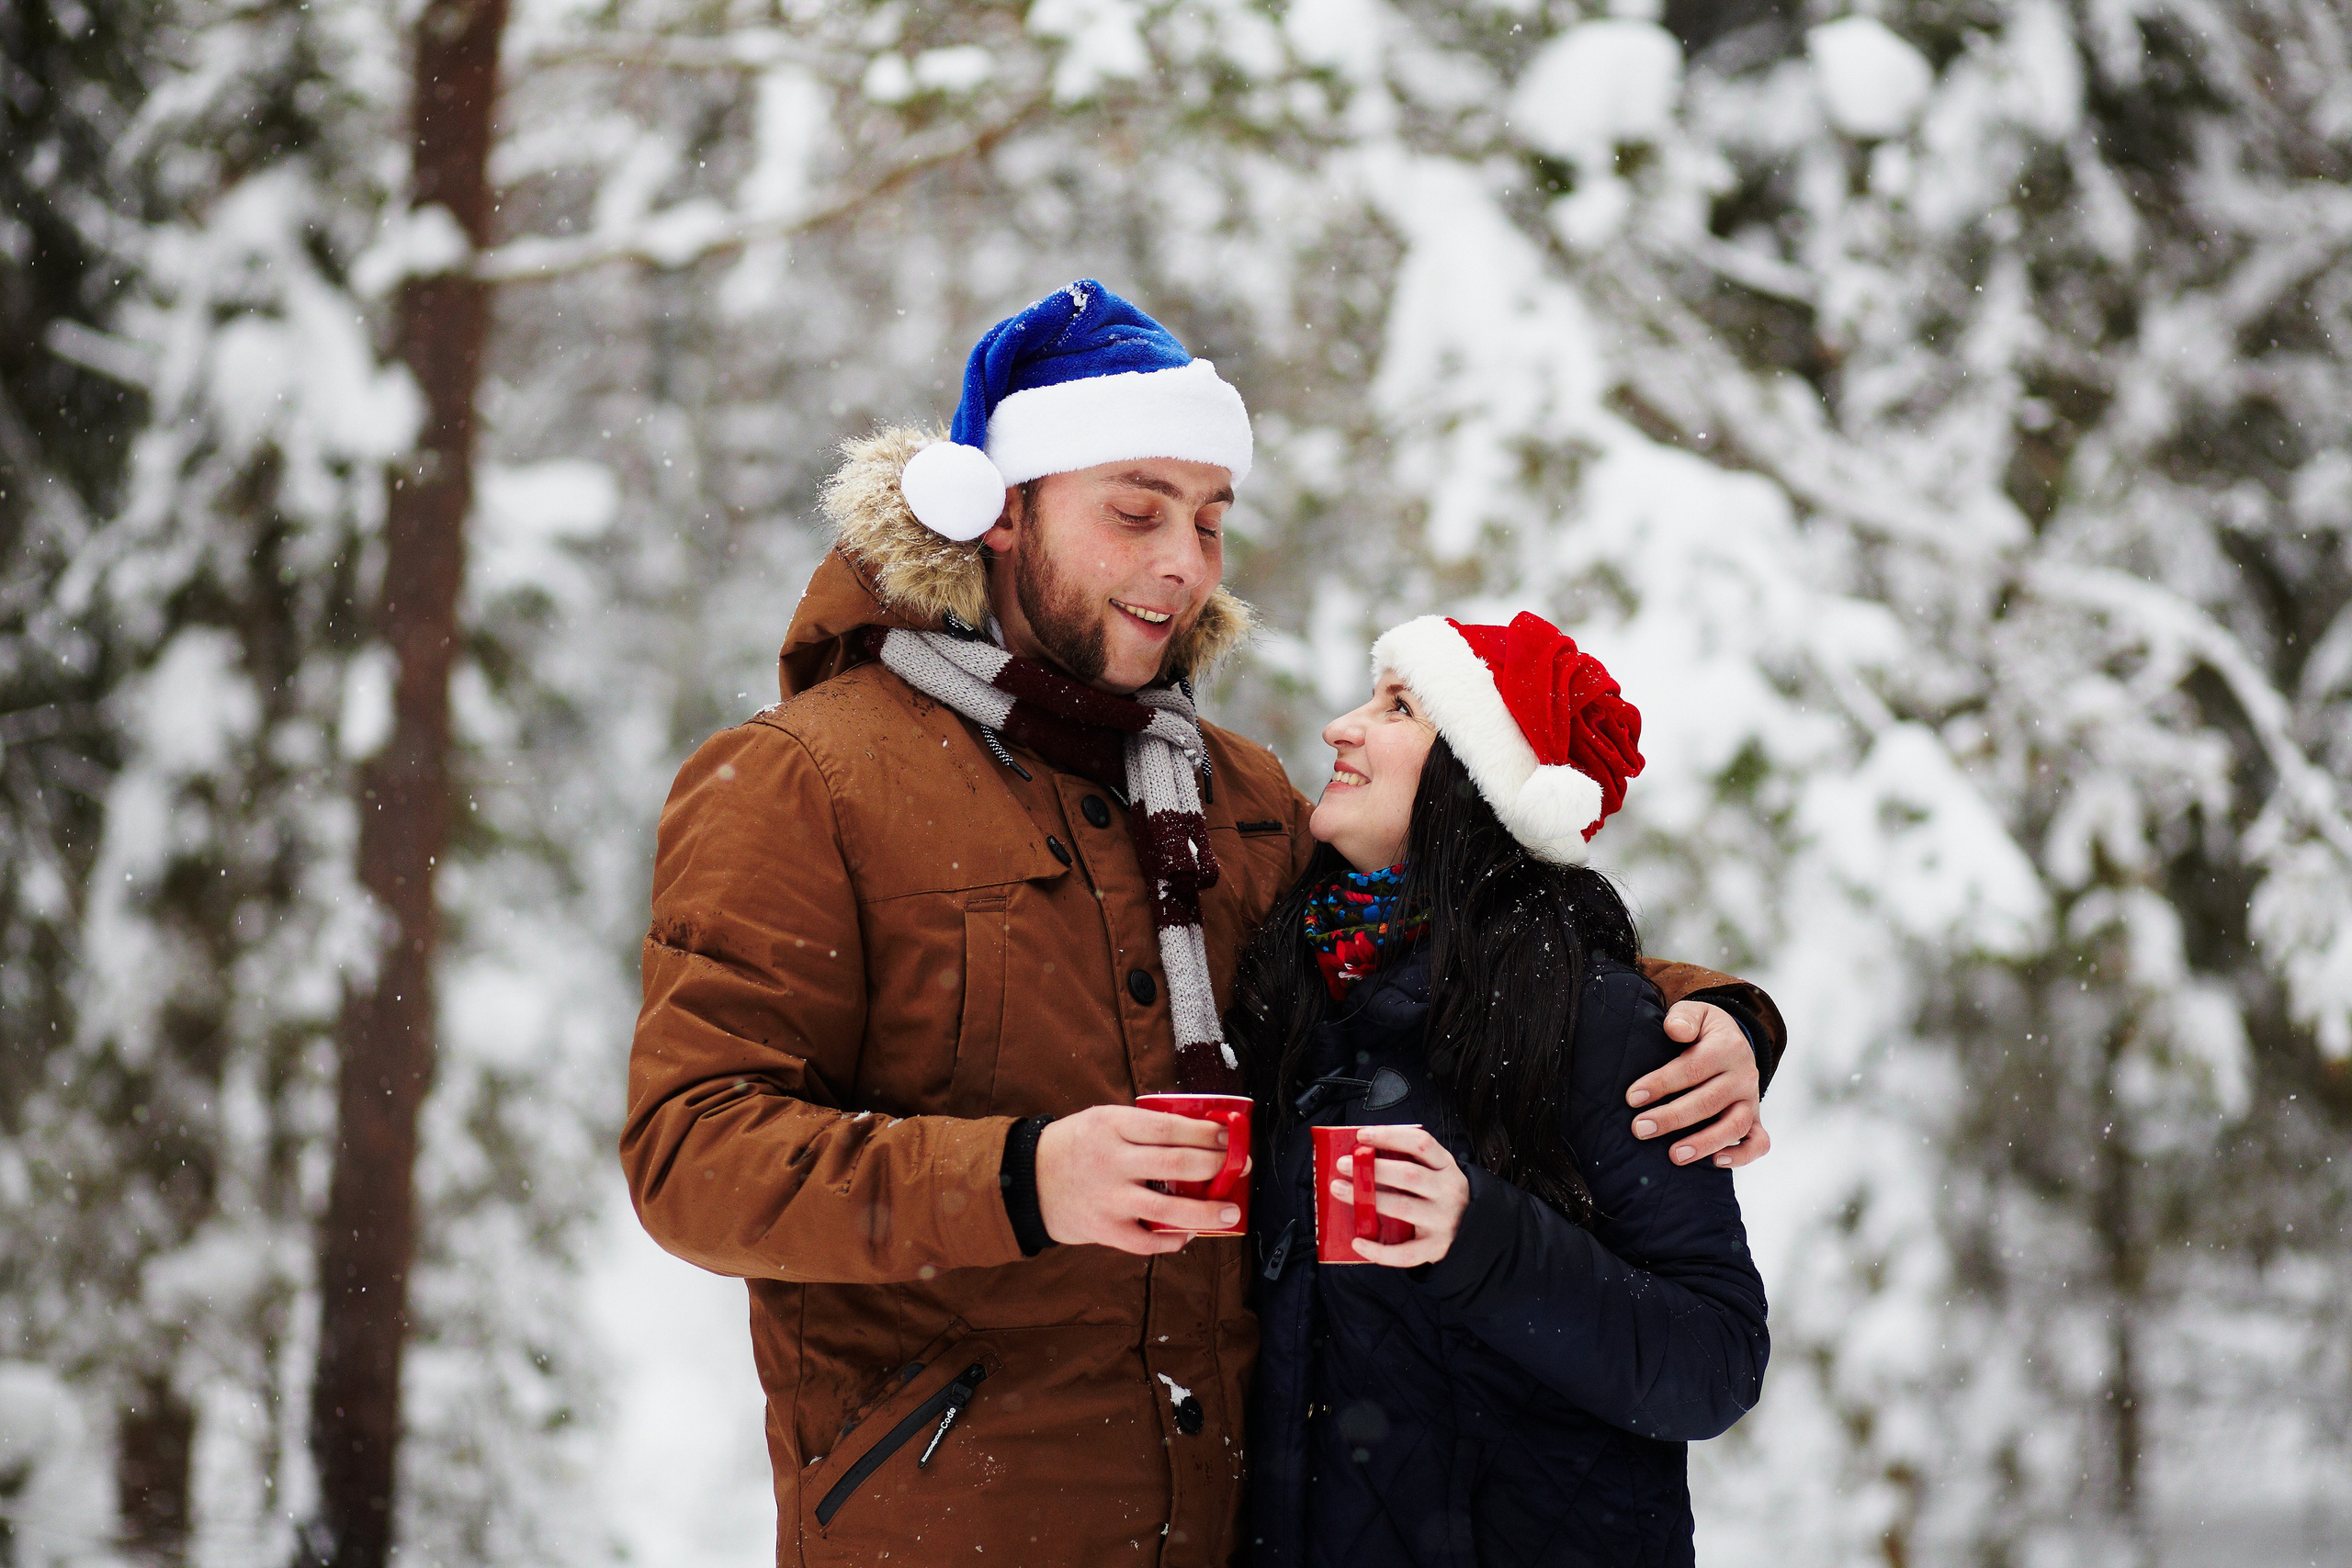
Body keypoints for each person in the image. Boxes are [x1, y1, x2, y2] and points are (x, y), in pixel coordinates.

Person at [619, 282, 1782, 1567]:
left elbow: (1454, 928)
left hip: (1233, 1525)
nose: (1184, 562)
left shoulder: (1234, 794)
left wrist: (1711, 1016)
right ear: (1001, 511)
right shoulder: (803, 778)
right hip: (953, 1525)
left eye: (1212, 520)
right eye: (1136, 512)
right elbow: (692, 1153)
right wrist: (1024, 1178)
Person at [1238, 612, 1770, 1567]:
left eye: (1398, 708)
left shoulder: (1594, 1020)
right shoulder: (1292, 993)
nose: (1339, 727)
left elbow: (1714, 1361)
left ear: (1475, 780)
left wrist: (1483, 1240)